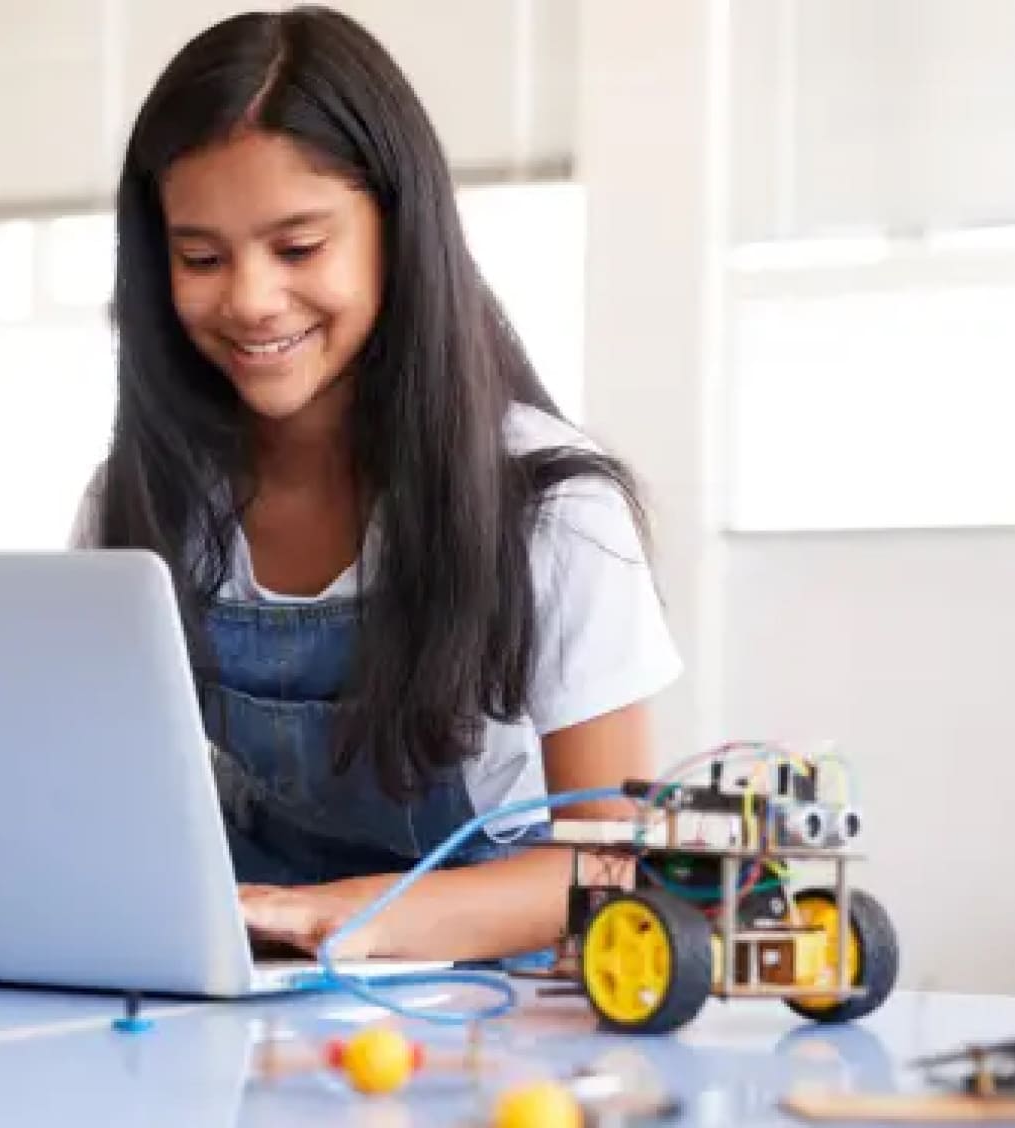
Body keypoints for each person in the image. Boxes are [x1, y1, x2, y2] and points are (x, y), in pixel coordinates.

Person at [69, 5, 680, 965]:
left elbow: (611, 866)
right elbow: (108, 814)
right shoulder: (142, 503)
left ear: (400, 231)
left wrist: (349, 915)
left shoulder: (551, 506)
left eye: (300, 248)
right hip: (240, 983)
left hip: (479, 1004)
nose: (250, 299)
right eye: (200, 257)